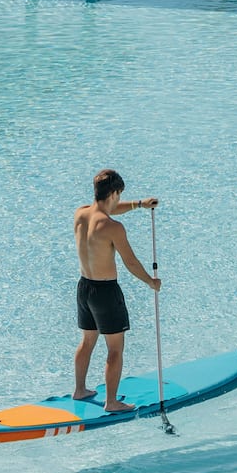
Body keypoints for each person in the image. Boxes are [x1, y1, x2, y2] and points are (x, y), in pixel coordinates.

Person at [72, 168, 161, 411]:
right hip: (106, 293)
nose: (120, 200)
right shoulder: (114, 227)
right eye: (119, 195)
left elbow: (107, 210)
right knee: (114, 349)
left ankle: (79, 390)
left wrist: (140, 204)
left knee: (87, 341)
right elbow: (130, 262)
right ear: (113, 193)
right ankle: (111, 402)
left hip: (84, 288)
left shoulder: (81, 214)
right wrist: (151, 282)